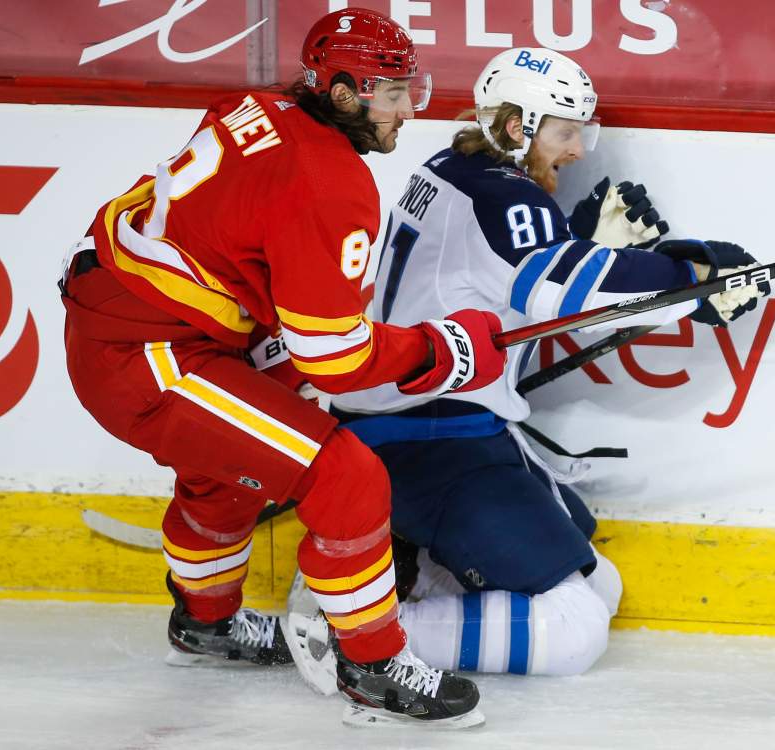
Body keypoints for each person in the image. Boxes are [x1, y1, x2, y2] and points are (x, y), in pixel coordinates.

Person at [58, 7, 504, 729]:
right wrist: (441, 350)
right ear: (340, 92)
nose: (405, 111)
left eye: (406, 89)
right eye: (388, 94)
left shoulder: (257, 104)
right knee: (348, 475)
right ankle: (373, 666)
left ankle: (204, 624)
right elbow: (333, 359)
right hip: (149, 359)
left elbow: (231, 238)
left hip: (131, 323)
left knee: (233, 467)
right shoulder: (332, 184)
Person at [296, 47, 770, 681]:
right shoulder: (500, 194)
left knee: (600, 587)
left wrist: (597, 250)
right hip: (427, 441)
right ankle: (348, 632)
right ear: (518, 127)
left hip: (434, 427)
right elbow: (559, 290)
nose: (578, 149)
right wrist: (690, 274)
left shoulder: (456, 167)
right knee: (574, 629)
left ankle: (398, 570)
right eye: (567, 131)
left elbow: (506, 291)